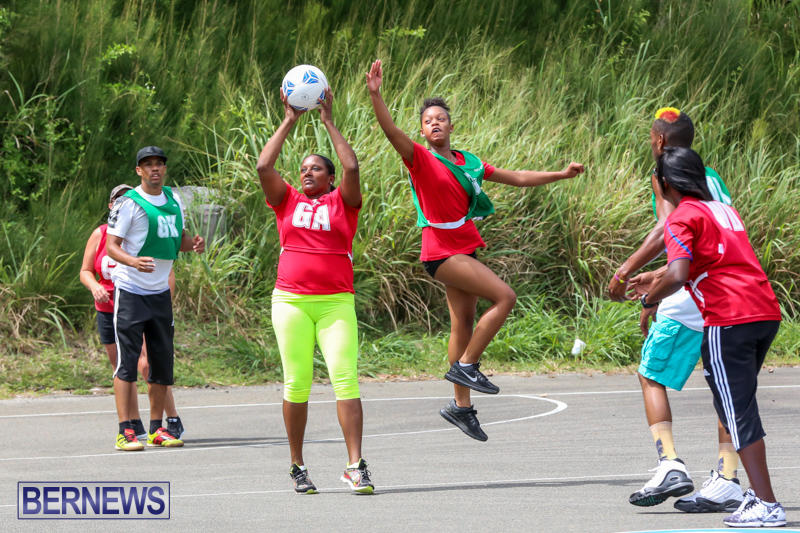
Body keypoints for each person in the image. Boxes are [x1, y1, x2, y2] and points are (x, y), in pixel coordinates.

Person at [366, 59, 584, 441]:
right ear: (422, 130)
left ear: (451, 126)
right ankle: (467, 365)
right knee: (505, 296)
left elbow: (518, 178)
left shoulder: (469, 162)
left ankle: (461, 407)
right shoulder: (419, 158)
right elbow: (390, 131)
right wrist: (375, 95)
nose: (434, 123)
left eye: (441, 119)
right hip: (440, 252)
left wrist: (561, 174)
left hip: (465, 247)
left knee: (463, 324)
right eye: (428, 121)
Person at [637, 146, 785, 528]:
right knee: (738, 406)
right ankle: (746, 492)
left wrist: (649, 299)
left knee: (737, 413)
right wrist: (657, 279)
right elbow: (714, 261)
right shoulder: (723, 210)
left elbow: (679, 273)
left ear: (665, 184)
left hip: (728, 317)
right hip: (764, 310)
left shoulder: (681, 216)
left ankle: (766, 503)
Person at [609, 108, 744, 511]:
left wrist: (629, 273)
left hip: (690, 289)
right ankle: (728, 476)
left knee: (650, 373)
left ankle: (669, 463)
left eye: (651, 137)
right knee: (724, 386)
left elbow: (666, 230)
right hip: (727, 288)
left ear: (660, 141)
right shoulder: (710, 175)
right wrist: (658, 277)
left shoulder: (664, 175)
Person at [256, 87, 372, 494]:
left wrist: (328, 121)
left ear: (329, 177)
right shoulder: (286, 200)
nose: (307, 173)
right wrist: (289, 119)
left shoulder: (343, 202)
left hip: (335, 303)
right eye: (303, 168)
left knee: (346, 379)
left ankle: (355, 466)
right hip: (291, 302)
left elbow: (352, 166)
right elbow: (264, 165)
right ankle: (297, 465)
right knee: (297, 382)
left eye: (316, 169)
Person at [106, 146, 204, 451]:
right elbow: (112, 246)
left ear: (164, 168)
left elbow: (177, 240)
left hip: (160, 293)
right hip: (131, 292)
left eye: (159, 164)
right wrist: (133, 261)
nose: (154, 169)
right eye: (148, 164)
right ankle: (125, 430)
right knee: (127, 364)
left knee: (161, 364)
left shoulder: (174, 200)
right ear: (139, 171)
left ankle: (156, 429)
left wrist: (193, 244)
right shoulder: (129, 203)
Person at [80, 184, 186, 443]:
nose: (123, 203)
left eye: (126, 199)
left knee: (150, 363)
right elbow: (85, 271)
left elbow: (165, 267)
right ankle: (131, 424)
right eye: (117, 200)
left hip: (144, 302)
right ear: (111, 206)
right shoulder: (101, 235)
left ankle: (167, 420)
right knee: (123, 366)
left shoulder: (143, 229)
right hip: (110, 309)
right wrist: (95, 287)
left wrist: (164, 301)